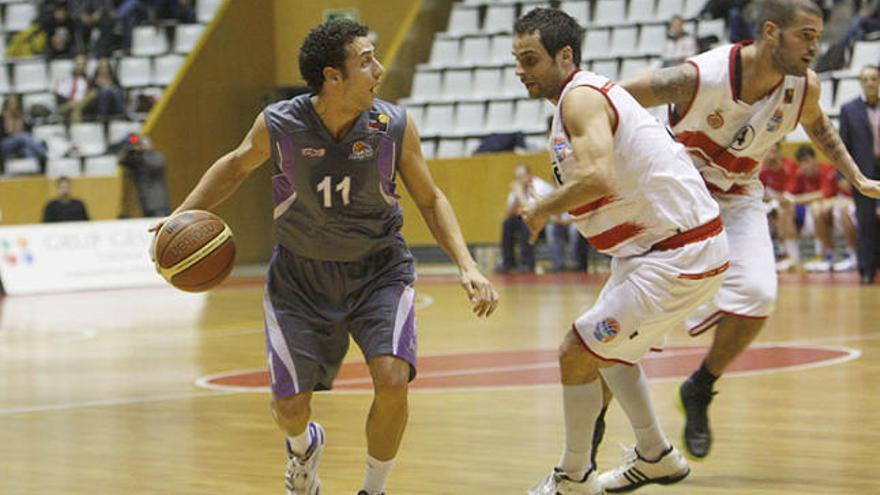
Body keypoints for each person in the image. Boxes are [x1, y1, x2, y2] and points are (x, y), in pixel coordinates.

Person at [149, 19, 499, 495]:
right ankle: (302, 450)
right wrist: (183, 216)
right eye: (366, 60)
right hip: (300, 276)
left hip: (379, 269)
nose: (378, 69)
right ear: (333, 77)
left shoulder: (392, 125)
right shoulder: (281, 123)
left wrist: (467, 264)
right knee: (291, 406)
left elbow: (431, 199)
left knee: (393, 378)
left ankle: (373, 490)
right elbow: (234, 167)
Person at [620, 0, 880, 459]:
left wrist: (856, 176)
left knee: (759, 294)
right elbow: (614, 97)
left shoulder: (804, 87)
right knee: (627, 322)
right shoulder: (700, 75)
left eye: (818, 36)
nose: (814, 47)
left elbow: (819, 127)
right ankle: (597, 430)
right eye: (805, 35)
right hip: (676, 195)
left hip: (738, 193)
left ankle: (701, 386)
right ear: (771, 32)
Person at [511, 8, 729, 494]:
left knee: (576, 352)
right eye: (517, 60)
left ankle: (573, 477)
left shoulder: (581, 98)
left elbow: (597, 178)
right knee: (614, 356)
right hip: (652, 249)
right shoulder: (582, 95)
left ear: (564, 56)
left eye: (530, 59)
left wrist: (542, 208)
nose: (521, 71)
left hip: (677, 252)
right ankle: (655, 456)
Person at [840, 65, 880, 285]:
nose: (870, 82)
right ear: (861, 83)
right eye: (866, 79)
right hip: (863, 172)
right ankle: (867, 268)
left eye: (874, 78)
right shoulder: (849, 109)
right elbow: (842, 146)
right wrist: (843, 175)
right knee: (865, 221)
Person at [499, 163, 555, 273]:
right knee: (507, 223)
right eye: (517, 177)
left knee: (526, 223)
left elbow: (531, 212)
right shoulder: (517, 188)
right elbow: (509, 213)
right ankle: (508, 263)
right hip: (526, 218)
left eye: (521, 176)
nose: (519, 180)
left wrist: (519, 194)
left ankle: (527, 263)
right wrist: (516, 196)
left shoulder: (538, 186)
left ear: (529, 175)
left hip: (546, 220)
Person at [758, 142, 801, 269]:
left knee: (783, 211)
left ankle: (792, 255)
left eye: (773, 151)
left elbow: (787, 197)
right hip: (775, 204)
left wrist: (774, 198)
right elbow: (760, 195)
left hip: (797, 203)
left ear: (779, 152)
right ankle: (777, 254)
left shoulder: (789, 166)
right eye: (768, 152)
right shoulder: (763, 170)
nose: (770, 156)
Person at [1, 94, 48, 166]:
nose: (13, 105)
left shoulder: (22, 115)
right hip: (5, 144)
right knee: (23, 136)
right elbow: (9, 131)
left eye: (15, 103)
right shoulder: (3, 117)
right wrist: (11, 118)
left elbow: (29, 131)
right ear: (7, 104)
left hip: (20, 144)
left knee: (27, 150)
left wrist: (20, 118)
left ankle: (31, 171)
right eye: (11, 103)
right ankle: (45, 154)